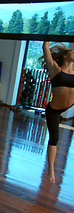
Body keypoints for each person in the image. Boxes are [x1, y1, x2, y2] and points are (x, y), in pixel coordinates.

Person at [41, 41, 74, 184]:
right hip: (54, 110)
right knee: (54, 138)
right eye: (73, 51)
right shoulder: (55, 69)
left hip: (69, 105)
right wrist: (48, 38)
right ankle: (51, 170)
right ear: (66, 55)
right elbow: (45, 49)